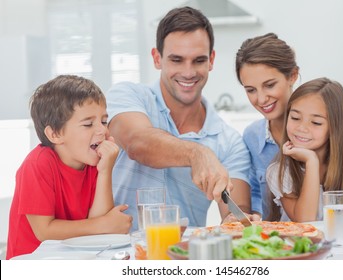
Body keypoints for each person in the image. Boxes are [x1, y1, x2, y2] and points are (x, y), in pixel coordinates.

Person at [106, 6, 255, 231]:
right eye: (176, 60)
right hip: (117, 253)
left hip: (182, 257)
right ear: (157, 58)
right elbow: (137, 143)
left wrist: (235, 222)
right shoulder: (128, 96)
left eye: (198, 60)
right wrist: (196, 153)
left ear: (211, 60)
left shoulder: (230, 142)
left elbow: (236, 209)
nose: (188, 72)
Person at [235, 33, 343, 220]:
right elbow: (256, 198)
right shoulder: (253, 138)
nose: (260, 99)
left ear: (292, 75)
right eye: (250, 90)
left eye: (269, 85)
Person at [6, 75, 132, 259]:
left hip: (73, 260)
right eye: (88, 124)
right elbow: (45, 231)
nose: (103, 131)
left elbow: (102, 231)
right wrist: (104, 225)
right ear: (55, 134)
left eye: (104, 121)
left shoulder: (94, 162)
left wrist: (105, 171)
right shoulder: (37, 164)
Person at [265, 77, 343, 224]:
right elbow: (306, 221)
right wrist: (311, 161)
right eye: (295, 117)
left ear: (334, 127)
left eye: (316, 122)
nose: (302, 128)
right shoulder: (280, 171)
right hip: (304, 246)